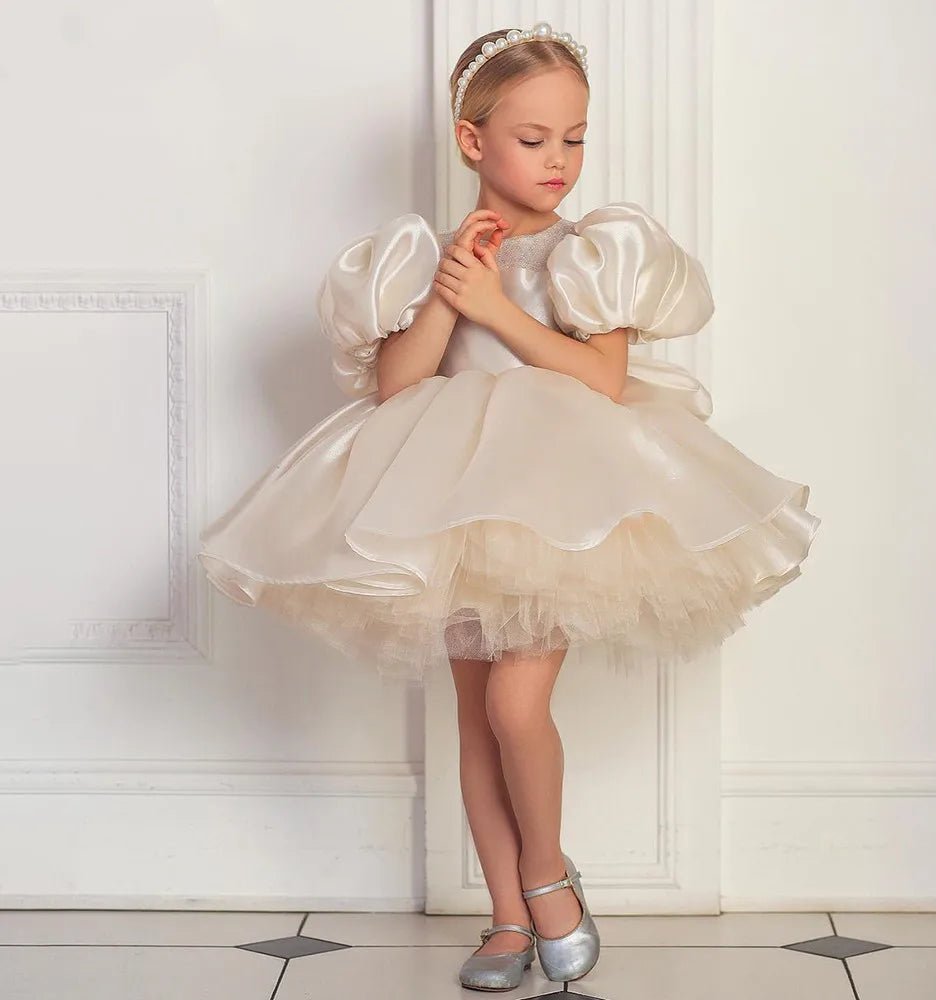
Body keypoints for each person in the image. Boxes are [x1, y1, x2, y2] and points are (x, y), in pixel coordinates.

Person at [197, 21, 821, 992]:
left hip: (557, 501)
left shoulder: (591, 252)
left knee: (514, 700)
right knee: (475, 718)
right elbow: (398, 386)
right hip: (447, 498)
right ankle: (502, 919)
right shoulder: (429, 259)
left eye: (573, 136)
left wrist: (497, 309)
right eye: (533, 138)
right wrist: (453, 291)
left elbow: (601, 379)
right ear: (471, 139)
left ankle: (546, 877)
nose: (559, 160)